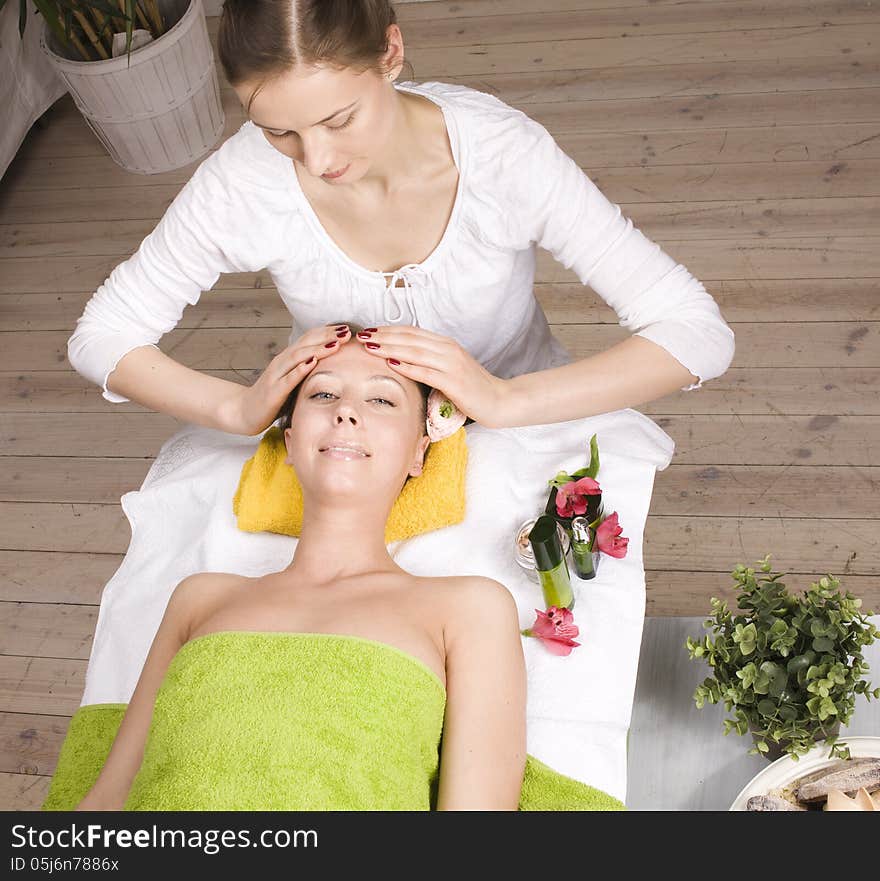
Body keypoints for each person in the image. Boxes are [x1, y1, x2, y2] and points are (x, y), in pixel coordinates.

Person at [66, 0, 735, 439]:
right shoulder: (243, 183)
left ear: (390, 53)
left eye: (338, 119)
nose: (317, 158)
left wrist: (503, 400)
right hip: (344, 446)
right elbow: (102, 335)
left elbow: (696, 332)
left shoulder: (503, 158)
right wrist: (236, 410)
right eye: (278, 131)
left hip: (519, 428)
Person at [73, 336, 528, 811]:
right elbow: (107, 803)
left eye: (381, 399)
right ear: (290, 442)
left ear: (420, 451)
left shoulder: (470, 608)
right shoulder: (199, 598)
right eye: (323, 394)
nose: (346, 412)